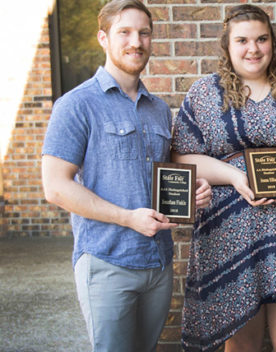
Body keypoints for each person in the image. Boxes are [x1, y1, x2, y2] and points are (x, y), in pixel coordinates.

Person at [41, 1, 212, 351]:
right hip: (107, 262)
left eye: (144, 32)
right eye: (125, 32)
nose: (136, 41)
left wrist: (192, 192)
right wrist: (127, 218)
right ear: (103, 38)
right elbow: (55, 187)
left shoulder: (159, 109)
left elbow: (161, 181)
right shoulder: (76, 105)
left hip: (158, 263)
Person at [171, 4, 276, 352]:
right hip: (230, 236)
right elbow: (181, 156)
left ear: (272, 44)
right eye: (242, 40)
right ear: (227, 45)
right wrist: (233, 176)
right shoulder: (204, 94)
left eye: (261, 39)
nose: (253, 48)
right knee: (241, 346)